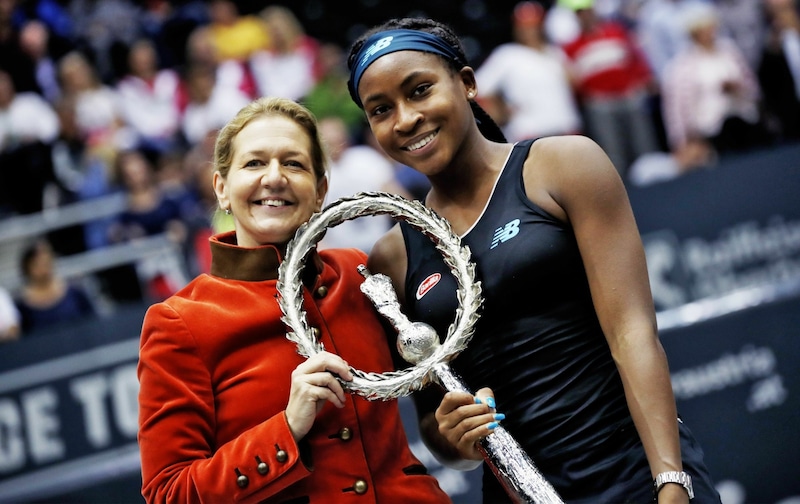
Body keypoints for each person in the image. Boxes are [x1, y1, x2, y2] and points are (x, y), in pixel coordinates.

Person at [346, 17, 721, 503]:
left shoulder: (564, 165)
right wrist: (453, 434)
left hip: (635, 471)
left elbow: (632, 334)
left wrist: (670, 479)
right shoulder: (391, 258)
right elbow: (438, 430)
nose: (405, 119)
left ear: (466, 83)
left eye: (420, 90)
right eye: (380, 110)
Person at [137, 96, 452, 503]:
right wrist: (286, 427)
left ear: (320, 190)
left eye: (294, 163)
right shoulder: (180, 321)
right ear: (222, 189)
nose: (274, 178)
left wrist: (455, 433)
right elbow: (168, 493)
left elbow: (430, 395)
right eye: (253, 163)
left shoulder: (358, 272)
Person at [474, 1, 582, 142]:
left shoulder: (555, 53)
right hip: (531, 134)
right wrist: (500, 110)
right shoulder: (507, 54)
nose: (529, 31)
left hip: (566, 129)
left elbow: (576, 83)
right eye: (524, 26)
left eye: (533, 25)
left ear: (541, 26)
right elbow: (477, 88)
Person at [14, 239, 97, 335]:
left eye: (47, 262)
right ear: (27, 268)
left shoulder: (75, 292)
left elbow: (93, 321)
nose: (44, 269)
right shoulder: (22, 306)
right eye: (38, 264)